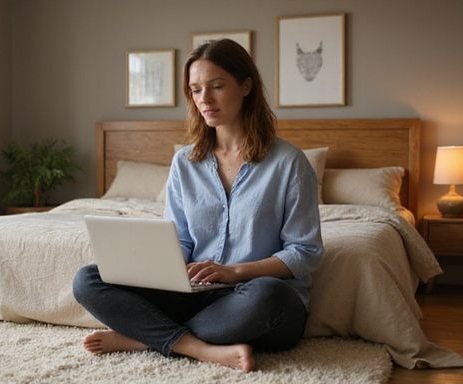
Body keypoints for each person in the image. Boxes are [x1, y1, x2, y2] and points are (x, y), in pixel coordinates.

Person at [73, 39, 323, 372]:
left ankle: (146, 336)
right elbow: (182, 241)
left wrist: (235, 271)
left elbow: (305, 252)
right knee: (88, 279)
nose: (204, 99)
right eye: (195, 90)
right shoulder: (184, 163)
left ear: (246, 86)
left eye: (217, 86)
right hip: (195, 292)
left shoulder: (289, 163)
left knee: (269, 298)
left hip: (256, 297)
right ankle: (196, 347)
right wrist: (156, 268)